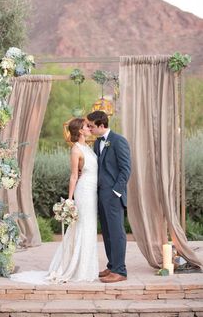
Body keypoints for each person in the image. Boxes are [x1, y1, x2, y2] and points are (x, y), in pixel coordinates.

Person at [10, 117, 99, 284]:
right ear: (80, 130)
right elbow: (73, 176)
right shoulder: (76, 150)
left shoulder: (88, 147)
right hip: (84, 192)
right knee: (82, 227)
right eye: (87, 126)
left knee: (89, 227)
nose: (90, 128)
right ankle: (75, 268)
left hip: (93, 192)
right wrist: (70, 200)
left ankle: (86, 267)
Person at [87, 110, 131, 283]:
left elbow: (125, 169)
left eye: (91, 126)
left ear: (101, 125)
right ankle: (112, 265)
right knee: (106, 232)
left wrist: (115, 192)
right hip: (100, 195)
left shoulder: (119, 141)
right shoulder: (97, 143)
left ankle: (120, 271)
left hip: (113, 196)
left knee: (117, 233)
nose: (89, 129)